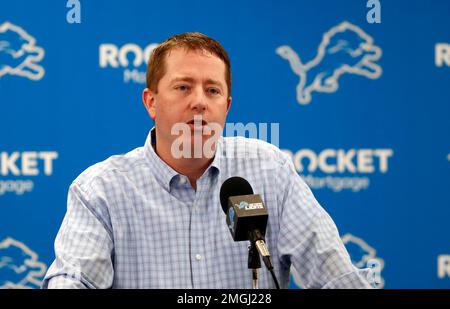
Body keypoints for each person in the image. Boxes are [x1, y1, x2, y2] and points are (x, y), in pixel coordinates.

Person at [43, 32, 373, 289]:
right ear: (151, 102)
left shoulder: (269, 171)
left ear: (226, 107)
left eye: (212, 90)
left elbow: (335, 274)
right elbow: (74, 279)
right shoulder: (100, 190)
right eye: (183, 87)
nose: (199, 102)